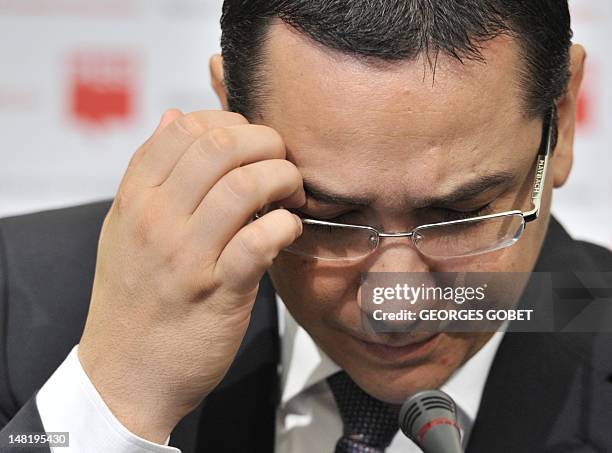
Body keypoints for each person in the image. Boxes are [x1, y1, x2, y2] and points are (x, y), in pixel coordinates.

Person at [1, 1, 611, 452]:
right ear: (230, 115)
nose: (395, 304)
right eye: (329, 218)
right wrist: (114, 404)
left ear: (558, 122)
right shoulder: (23, 304)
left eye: (460, 217)